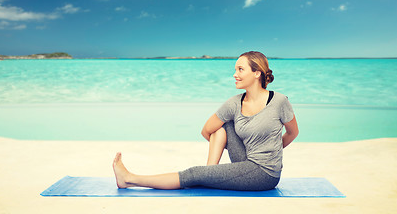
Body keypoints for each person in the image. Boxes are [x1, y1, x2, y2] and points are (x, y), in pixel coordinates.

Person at [113, 51, 299, 191]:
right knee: (222, 126)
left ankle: (129, 179)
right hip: (244, 160)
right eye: (235, 69)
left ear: (257, 73)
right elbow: (206, 131)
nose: (235, 74)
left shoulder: (279, 101)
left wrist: (272, 150)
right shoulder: (234, 103)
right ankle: (210, 172)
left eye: (240, 69)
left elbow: (292, 132)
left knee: (193, 174)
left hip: (265, 173)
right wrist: (214, 167)